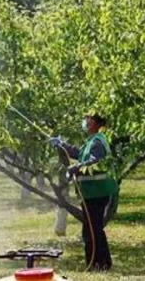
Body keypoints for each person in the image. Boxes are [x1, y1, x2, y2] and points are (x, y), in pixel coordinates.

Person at [49, 112, 117, 271]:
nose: (84, 121)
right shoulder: (92, 141)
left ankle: (96, 264)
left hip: (97, 193)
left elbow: (93, 160)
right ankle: (102, 263)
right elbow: (79, 153)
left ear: (93, 122)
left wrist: (77, 167)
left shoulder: (98, 141)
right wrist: (61, 144)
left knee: (91, 231)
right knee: (94, 229)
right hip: (91, 193)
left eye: (87, 119)